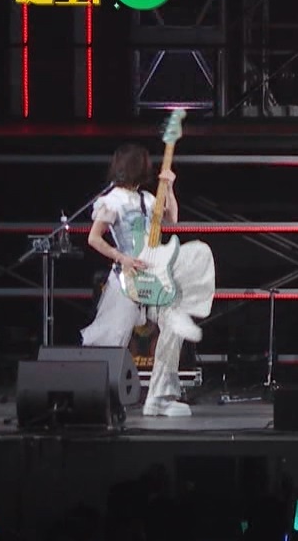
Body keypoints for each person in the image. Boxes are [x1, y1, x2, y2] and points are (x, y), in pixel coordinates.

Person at [82, 143, 216, 417]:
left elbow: (171, 221)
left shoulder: (146, 199)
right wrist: (122, 258)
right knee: (111, 338)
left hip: (154, 279)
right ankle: (91, 396)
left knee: (174, 326)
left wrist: (169, 188)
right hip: (127, 280)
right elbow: (94, 238)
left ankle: (160, 397)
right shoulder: (112, 200)